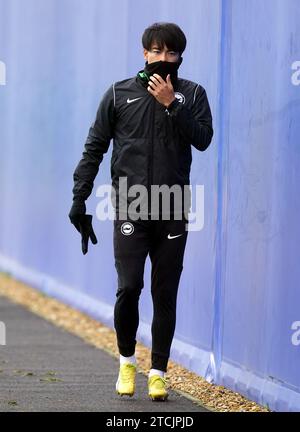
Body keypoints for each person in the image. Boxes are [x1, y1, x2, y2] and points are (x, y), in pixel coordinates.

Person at [69, 22, 213, 401]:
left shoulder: (193, 94)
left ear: (180, 56)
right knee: (129, 288)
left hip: (173, 208)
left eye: (171, 53)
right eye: (156, 51)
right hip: (130, 206)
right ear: (144, 52)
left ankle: (158, 372)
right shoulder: (118, 94)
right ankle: (127, 362)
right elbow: (94, 148)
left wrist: (172, 105)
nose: (163, 60)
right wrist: (79, 199)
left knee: (165, 293)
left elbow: (203, 140)